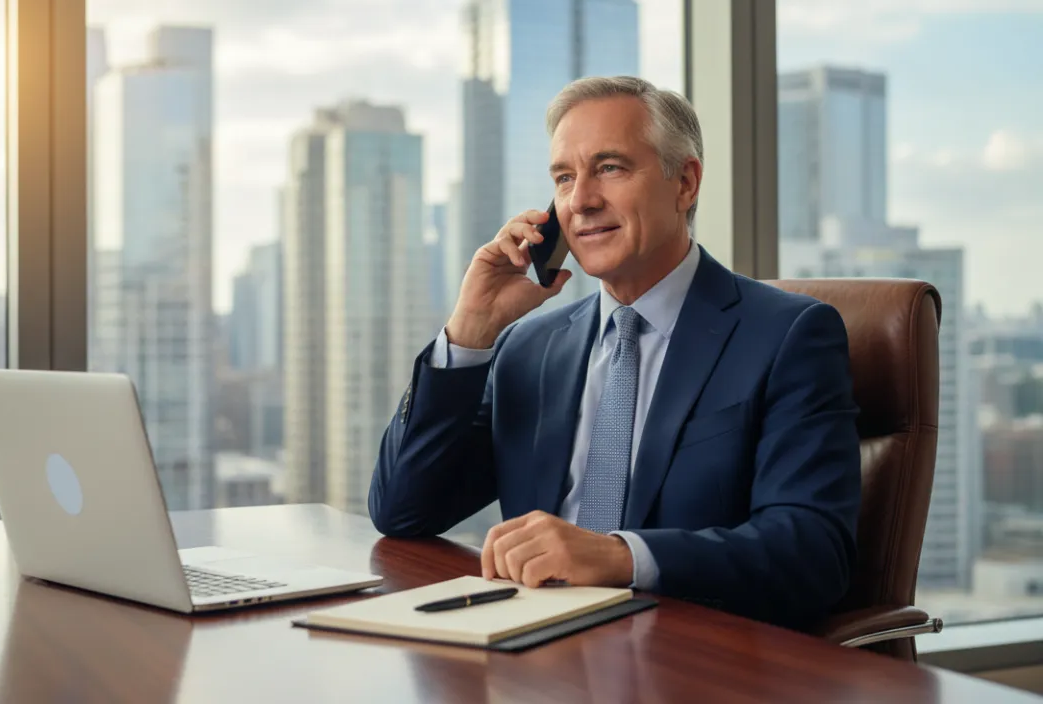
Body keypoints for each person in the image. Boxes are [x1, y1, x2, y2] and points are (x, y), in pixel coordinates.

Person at [368, 75, 861, 630]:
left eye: (610, 168)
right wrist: (470, 330)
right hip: (538, 657)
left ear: (686, 183)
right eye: (563, 178)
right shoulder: (531, 348)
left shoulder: (788, 335)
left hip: (690, 660)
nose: (580, 200)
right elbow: (403, 511)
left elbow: (815, 555)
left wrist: (622, 557)